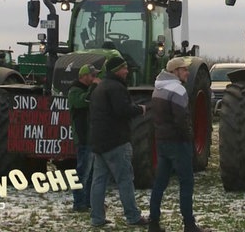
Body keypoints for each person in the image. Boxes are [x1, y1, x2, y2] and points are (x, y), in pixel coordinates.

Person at [148, 57, 211, 232]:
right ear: (175, 71)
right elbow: (182, 119)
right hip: (178, 143)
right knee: (186, 183)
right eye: (184, 70)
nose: (187, 73)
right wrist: (189, 138)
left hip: (162, 142)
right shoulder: (178, 90)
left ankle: (153, 223)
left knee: (159, 183)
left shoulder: (157, 88)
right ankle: (189, 225)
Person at [89, 56, 149, 227]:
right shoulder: (116, 88)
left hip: (99, 142)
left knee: (98, 181)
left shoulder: (99, 88)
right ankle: (133, 216)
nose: (127, 71)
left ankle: (97, 218)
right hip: (116, 141)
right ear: (116, 70)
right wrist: (140, 109)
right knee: (125, 180)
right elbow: (122, 110)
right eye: (124, 68)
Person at [68, 63, 100, 212]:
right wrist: (94, 87)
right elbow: (84, 101)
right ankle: (78, 202)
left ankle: (88, 201)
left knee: (92, 172)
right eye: (93, 75)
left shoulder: (88, 90)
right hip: (83, 136)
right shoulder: (74, 91)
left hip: (92, 136)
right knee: (82, 171)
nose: (95, 78)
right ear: (84, 76)